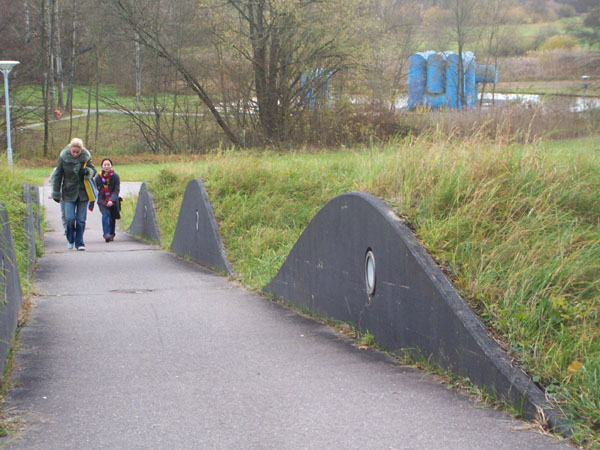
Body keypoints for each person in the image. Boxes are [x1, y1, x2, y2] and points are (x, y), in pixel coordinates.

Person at [51, 138, 96, 251]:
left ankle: (80, 242)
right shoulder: (63, 157)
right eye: (73, 151)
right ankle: (70, 238)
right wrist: (56, 192)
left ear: (81, 150)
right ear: (70, 149)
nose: (75, 154)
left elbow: (93, 170)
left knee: (81, 219)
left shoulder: (85, 157)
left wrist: (87, 172)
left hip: (82, 193)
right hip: (68, 192)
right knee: (70, 218)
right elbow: (58, 175)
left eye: (78, 152)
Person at [94, 158, 120, 242]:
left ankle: (111, 234)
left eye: (108, 164)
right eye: (105, 165)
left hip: (113, 199)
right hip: (102, 200)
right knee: (105, 215)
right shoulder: (98, 178)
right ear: (102, 166)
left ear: (111, 166)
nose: (106, 166)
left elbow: (116, 190)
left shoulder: (115, 177)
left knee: (112, 216)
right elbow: (95, 190)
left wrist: (111, 200)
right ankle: (106, 234)